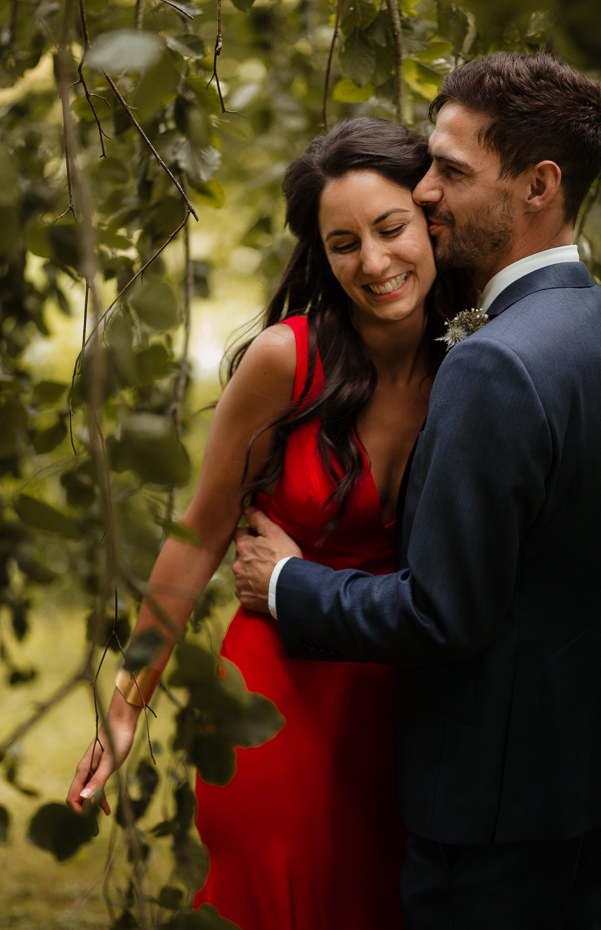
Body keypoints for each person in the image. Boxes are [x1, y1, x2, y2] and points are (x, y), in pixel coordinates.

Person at [232, 51, 601, 930]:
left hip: (481, 817)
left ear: (539, 185)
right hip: (576, 798)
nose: (429, 193)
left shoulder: (494, 363)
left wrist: (289, 584)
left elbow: (445, 615)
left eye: (451, 169)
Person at [67, 117, 466, 929]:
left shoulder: (477, 362)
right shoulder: (288, 360)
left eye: (391, 229)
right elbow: (201, 531)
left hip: (407, 705)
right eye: (343, 243)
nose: (375, 262)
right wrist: (126, 703)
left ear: (431, 220)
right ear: (321, 256)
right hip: (272, 694)